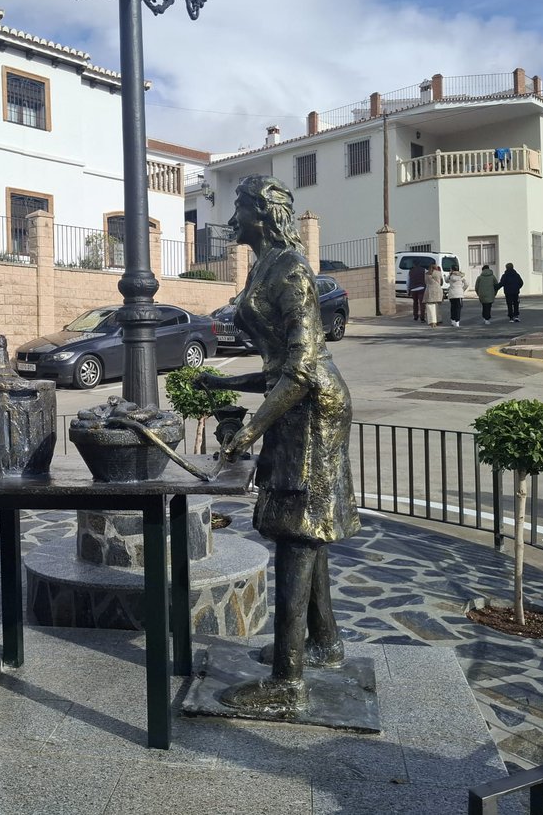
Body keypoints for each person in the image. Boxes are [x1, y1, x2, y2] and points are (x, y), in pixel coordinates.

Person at [194, 175, 359, 713]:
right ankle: (324, 643)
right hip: (294, 401)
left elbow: (305, 369)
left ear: (260, 214)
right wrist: (224, 384)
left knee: (297, 531)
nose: (232, 219)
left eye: (239, 209)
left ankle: (288, 681)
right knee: (307, 532)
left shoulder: (291, 269)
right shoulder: (266, 264)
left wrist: (249, 429)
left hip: (310, 410)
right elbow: (277, 369)